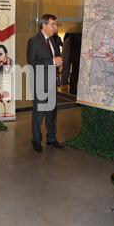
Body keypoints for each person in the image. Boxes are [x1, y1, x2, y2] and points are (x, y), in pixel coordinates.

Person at [27, 14, 65, 152]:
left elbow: (54, 58)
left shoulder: (53, 41)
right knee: (39, 114)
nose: (55, 27)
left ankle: (51, 138)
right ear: (44, 25)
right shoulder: (34, 41)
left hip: (52, 82)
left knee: (52, 113)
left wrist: (58, 64)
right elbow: (32, 63)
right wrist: (53, 62)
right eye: (53, 24)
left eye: (56, 25)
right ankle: (36, 140)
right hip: (39, 83)